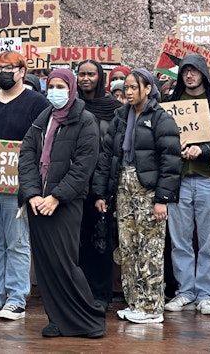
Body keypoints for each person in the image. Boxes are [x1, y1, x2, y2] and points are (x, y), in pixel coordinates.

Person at [19, 68, 104, 338]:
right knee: (45, 266)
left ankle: (87, 318)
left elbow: (83, 167)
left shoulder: (85, 121)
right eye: (51, 85)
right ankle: (57, 318)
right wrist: (32, 194)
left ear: (72, 88)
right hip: (37, 202)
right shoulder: (42, 119)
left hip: (65, 203)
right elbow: (27, 156)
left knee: (64, 263)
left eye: (61, 86)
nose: (55, 91)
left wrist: (57, 197)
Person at [95, 68, 181, 324]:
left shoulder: (161, 118)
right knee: (128, 246)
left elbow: (170, 163)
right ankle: (135, 302)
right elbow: (107, 156)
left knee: (150, 248)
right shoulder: (120, 117)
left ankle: (152, 306)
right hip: (123, 186)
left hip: (149, 190)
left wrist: (162, 199)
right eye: (127, 88)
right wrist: (102, 192)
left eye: (135, 87)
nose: (130, 92)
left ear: (148, 89)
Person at [0, 51, 50, 321]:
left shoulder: (36, 103)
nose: (2, 72)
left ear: (22, 72)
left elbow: (43, 143)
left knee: (16, 241)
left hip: (18, 185)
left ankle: (16, 297)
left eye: (8, 68)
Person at [163, 54, 210, 316]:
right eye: (184, 72)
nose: (189, 76)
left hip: (207, 180)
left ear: (204, 72)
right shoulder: (170, 103)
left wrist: (201, 151)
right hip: (178, 179)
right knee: (180, 240)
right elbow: (161, 139)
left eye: (193, 71)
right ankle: (185, 291)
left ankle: (205, 294)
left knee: (208, 241)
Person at [76, 59, 122, 307]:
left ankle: (101, 294)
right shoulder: (72, 106)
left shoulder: (113, 108)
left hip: (102, 181)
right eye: (82, 74)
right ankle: (81, 293)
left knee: (102, 240)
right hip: (76, 182)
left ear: (100, 77)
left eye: (91, 74)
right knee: (79, 241)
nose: (86, 78)